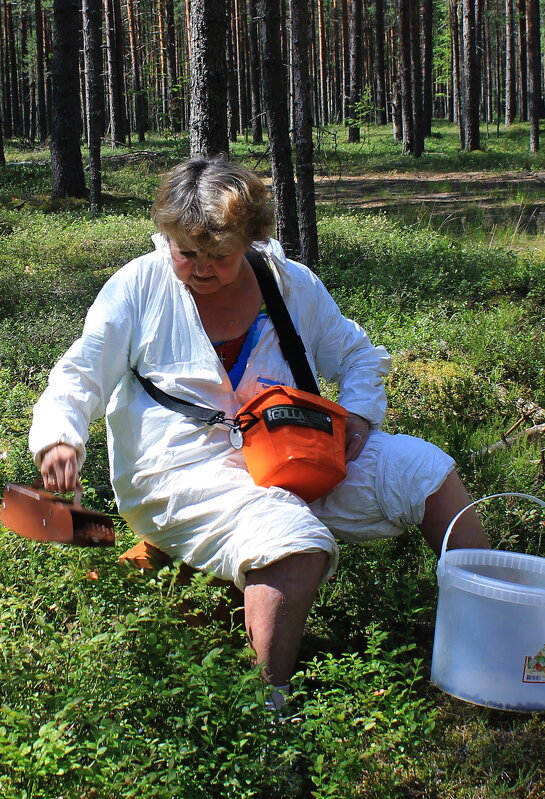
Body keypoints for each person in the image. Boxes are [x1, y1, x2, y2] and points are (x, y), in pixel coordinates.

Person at [29, 157, 488, 706]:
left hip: (292, 451)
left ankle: (487, 634)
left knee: (427, 472)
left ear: (251, 238)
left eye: (219, 255)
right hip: (179, 469)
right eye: (186, 252)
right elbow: (79, 375)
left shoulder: (288, 284)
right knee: (291, 541)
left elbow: (360, 357)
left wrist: (360, 419)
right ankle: (268, 708)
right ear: (165, 236)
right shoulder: (138, 288)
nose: (200, 268)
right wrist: (60, 438)